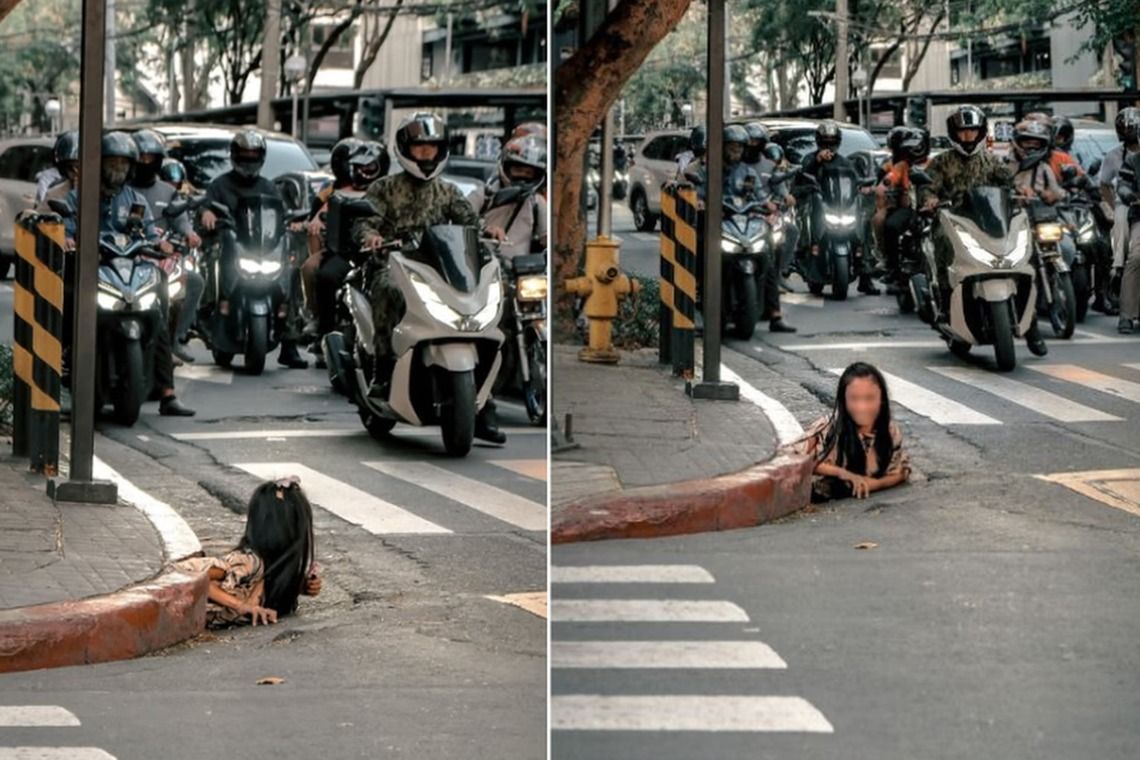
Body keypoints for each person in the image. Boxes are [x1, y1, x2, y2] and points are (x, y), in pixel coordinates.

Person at [354, 112, 508, 445]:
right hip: (393, 263)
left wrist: (489, 230)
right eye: (420, 148)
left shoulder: (448, 192)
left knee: (488, 299)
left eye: (432, 148)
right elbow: (363, 221)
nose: (426, 154)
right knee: (386, 291)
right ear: (406, 150)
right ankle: (382, 370)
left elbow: (471, 224)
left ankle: (484, 400)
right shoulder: (384, 188)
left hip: (439, 268)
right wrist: (371, 237)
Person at [62, 131, 195, 416]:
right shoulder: (79, 197)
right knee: (67, 307)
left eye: (123, 165)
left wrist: (162, 243)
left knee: (158, 313)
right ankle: (62, 382)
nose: (118, 170)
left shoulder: (135, 199)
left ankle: (168, 393)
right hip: (91, 271)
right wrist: (69, 240)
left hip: (130, 270)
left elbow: (149, 233)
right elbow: (67, 229)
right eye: (112, 164)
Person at [918, 105, 1047, 356]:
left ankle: (1031, 325)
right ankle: (945, 304)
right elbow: (927, 187)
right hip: (952, 222)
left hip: (990, 225)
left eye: (973, 131)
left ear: (980, 133)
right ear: (954, 134)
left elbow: (1008, 183)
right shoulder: (941, 162)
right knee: (944, 251)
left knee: (1026, 260)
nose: (968, 137)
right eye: (963, 132)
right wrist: (930, 199)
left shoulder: (991, 161)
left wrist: (1022, 191)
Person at [199, 129, 309, 369]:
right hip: (231, 247)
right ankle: (206, 314)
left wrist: (295, 222)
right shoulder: (219, 185)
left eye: (253, 155)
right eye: (244, 155)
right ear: (235, 155)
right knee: (210, 263)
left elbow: (282, 214)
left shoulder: (269, 187)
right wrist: (207, 214)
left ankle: (289, 344)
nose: (249, 160)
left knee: (289, 273)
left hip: (263, 249)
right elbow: (205, 207)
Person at [175, 477, 321, 628]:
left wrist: (299, 586)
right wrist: (242, 606)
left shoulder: (269, 571)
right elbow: (197, 579)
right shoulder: (248, 563)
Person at [308, 141, 387, 367]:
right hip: (345, 252)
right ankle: (324, 334)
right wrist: (314, 222)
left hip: (381, 255)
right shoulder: (335, 193)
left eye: (371, 166)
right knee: (325, 276)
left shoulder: (386, 191)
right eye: (361, 166)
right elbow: (319, 215)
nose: (366, 171)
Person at [784, 362, 910, 502]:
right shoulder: (830, 428)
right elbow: (799, 458)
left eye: (870, 398)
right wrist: (843, 473)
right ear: (844, 400)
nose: (862, 407)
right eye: (854, 399)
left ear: (882, 400)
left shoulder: (889, 431)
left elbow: (900, 472)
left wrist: (871, 484)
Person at [130, 130, 205, 364]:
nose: (145, 163)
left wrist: (190, 234)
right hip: (129, 256)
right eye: (140, 158)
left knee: (192, 282)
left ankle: (175, 339)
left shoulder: (168, 191)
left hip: (161, 257)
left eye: (150, 158)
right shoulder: (123, 191)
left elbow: (180, 218)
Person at [801, 121, 880, 295]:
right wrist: (817, 161)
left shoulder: (845, 162)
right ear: (819, 141)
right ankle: (801, 257)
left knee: (863, 228)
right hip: (819, 204)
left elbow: (855, 180)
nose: (828, 144)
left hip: (842, 206)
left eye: (832, 140)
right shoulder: (810, 159)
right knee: (803, 221)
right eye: (825, 141)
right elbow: (803, 175)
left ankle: (866, 276)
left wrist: (863, 187)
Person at [301, 137, 361, 342]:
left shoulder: (376, 190)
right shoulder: (329, 193)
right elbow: (315, 218)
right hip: (335, 248)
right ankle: (317, 317)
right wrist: (316, 222)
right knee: (311, 268)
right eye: (352, 163)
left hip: (367, 249)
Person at [873, 126, 927, 296]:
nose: (915, 150)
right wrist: (883, 185)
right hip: (912, 210)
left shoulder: (936, 162)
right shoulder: (902, 166)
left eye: (918, 146)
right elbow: (889, 179)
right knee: (890, 225)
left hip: (938, 209)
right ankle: (893, 267)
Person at [1099, 107, 1140, 326]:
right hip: (1129, 206)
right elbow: (1107, 185)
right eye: (1124, 129)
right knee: (1133, 255)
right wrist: (1116, 205)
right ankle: (1118, 263)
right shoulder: (1118, 157)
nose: (1129, 133)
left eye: (1132, 129)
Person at [482, 134, 548, 259]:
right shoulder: (484, 194)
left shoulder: (536, 202)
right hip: (481, 266)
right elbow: (461, 223)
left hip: (518, 273)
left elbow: (548, 238)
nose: (523, 176)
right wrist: (484, 228)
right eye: (517, 170)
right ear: (506, 167)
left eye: (528, 173)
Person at [1010, 119, 1065, 205]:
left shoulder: (1044, 168)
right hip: (1007, 213)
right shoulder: (1003, 163)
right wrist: (1017, 189)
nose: (1031, 147)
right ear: (1017, 142)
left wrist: (1051, 196)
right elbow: (992, 189)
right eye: (1027, 143)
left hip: (1034, 215)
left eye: (1036, 144)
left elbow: (1057, 193)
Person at [1115, 150, 1140, 333]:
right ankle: (1126, 316)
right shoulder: (1132, 161)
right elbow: (1123, 185)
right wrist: (1130, 195)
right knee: (1136, 258)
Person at [36, 130, 79, 204]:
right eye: (71, 169)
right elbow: (43, 209)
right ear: (63, 170)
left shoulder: (102, 193)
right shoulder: (55, 194)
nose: (77, 173)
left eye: (80, 167)